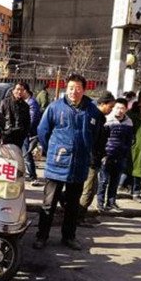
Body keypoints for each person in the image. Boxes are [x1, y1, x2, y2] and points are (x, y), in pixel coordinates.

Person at [33, 73, 103, 251]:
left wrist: (86, 149)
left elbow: (96, 135)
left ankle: (69, 237)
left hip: (79, 164)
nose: (74, 91)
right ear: (66, 88)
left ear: (84, 90)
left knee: (73, 205)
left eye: (78, 88)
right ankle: (42, 236)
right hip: (57, 163)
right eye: (71, 88)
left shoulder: (92, 110)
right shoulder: (55, 107)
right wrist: (52, 150)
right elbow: (43, 131)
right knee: (49, 203)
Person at [78, 91, 115, 223]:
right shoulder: (93, 116)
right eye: (110, 107)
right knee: (88, 190)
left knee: (92, 189)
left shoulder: (100, 118)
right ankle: (78, 217)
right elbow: (90, 140)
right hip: (90, 159)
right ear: (103, 104)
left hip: (96, 158)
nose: (111, 110)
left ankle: (77, 214)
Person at [97, 98, 133, 211]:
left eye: (122, 108)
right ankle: (100, 203)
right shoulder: (107, 120)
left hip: (121, 156)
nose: (119, 110)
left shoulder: (129, 122)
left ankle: (111, 202)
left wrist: (125, 154)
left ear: (126, 109)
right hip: (107, 155)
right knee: (103, 181)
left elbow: (129, 140)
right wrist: (103, 154)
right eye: (117, 108)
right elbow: (101, 139)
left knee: (115, 181)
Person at [0, 81, 31, 147]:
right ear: (13, 91)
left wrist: (23, 135)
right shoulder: (5, 103)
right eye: (18, 89)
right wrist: (3, 133)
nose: (19, 92)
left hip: (19, 140)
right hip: (6, 138)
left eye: (22, 90)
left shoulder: (25, 106)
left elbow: (27, 123)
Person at [23, 83, 43, 186]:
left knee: (26, 154)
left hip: (28, 133)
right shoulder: (25, 102)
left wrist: (25, 129)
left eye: (21, 90)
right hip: (24, 132)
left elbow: (32, 120)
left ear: (25, 91)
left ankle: (33, 176)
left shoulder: (32, 103)